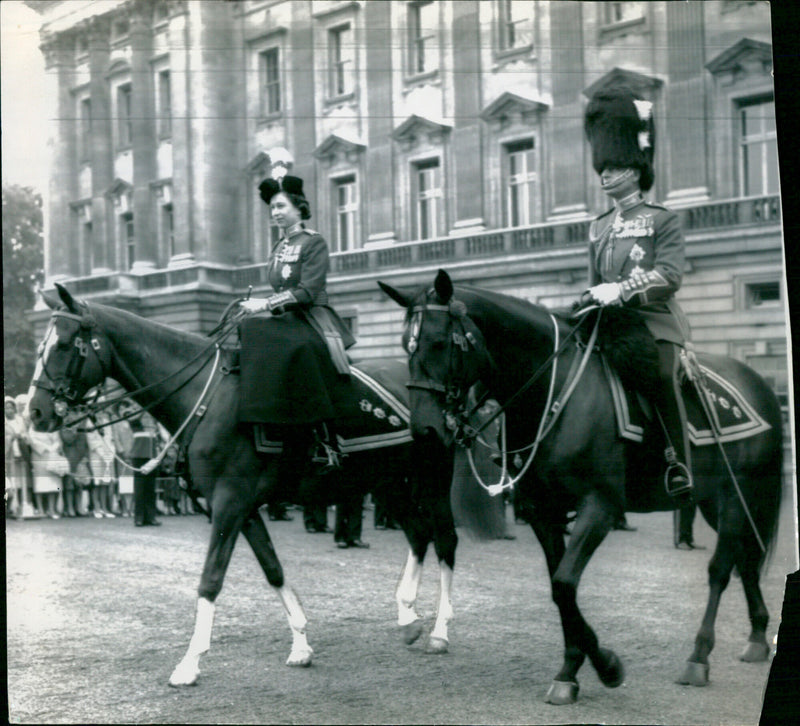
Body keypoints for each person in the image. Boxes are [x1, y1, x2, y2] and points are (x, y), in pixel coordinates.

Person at [583, 85, 693, 502]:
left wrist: (623, 290)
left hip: (655, 325)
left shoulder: (661, 220)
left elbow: (669, 275)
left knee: (661, 377)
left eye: (612, 166)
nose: (605, 175)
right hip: (610, 324)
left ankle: (676, 462)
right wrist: (590, 298)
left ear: (634, 167)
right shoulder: (598, 226)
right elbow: (595, 280)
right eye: (602, 168)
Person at [238, 166, 356, 477]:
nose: (274, 212)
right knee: (247, 329)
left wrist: (265, 304)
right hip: (286, 318)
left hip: (312, 318)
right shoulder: (278, 247)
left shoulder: (313, 242)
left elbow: (307, 290)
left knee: (299, 349)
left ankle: (326, 441)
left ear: (298, 208)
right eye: (272, 207)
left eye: (280, 206)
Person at [129, 406, 164, 527]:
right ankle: (139, 517)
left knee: (150, 487)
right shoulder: (132, 412)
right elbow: (132, 419)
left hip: (151, 455)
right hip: (139, 454)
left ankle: (151, 517)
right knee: (140, 488)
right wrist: (144, 408)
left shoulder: (152, 416)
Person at [28, 426, 68, 518]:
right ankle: (41, 509)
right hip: (39, 457)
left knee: (54, 485)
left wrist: (53, 448)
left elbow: (58, 440)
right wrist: (46, 448)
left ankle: (51, 509)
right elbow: (32, 440)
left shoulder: (52, 425)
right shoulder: (33, 427)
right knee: (39, 484)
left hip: (53, 456)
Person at [86, 407, 116, 518]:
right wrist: (101, 453)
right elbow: (91, 440)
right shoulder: (90, 423)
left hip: (107, 455)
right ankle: (96, 508)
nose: (100, 412)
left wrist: (111, 452)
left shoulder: (106, 422)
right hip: (96, 455)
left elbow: (110, 438)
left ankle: (104, 508)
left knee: (105, 483)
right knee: (97, 483)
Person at [60, 423, 91, 517]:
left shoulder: (82, 426)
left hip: (80, 456)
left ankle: (78, 507)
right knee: (69, 484)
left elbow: (86, 442)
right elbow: (67, 440)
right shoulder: (65, 425)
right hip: (70, 456)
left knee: (79, 484)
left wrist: (86, 456)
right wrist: (74, 430)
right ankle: (69, 508)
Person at [5, 395, 28, 518]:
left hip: (19, 451)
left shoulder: (20, 420)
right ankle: (9, 508)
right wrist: (11, 437)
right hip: (8, 454)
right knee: (9, 483)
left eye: (11, 407)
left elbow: (25, 434)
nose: (9, 410)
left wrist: (21, 436)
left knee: (19, 482)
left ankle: (20, 507)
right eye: (6, 408)